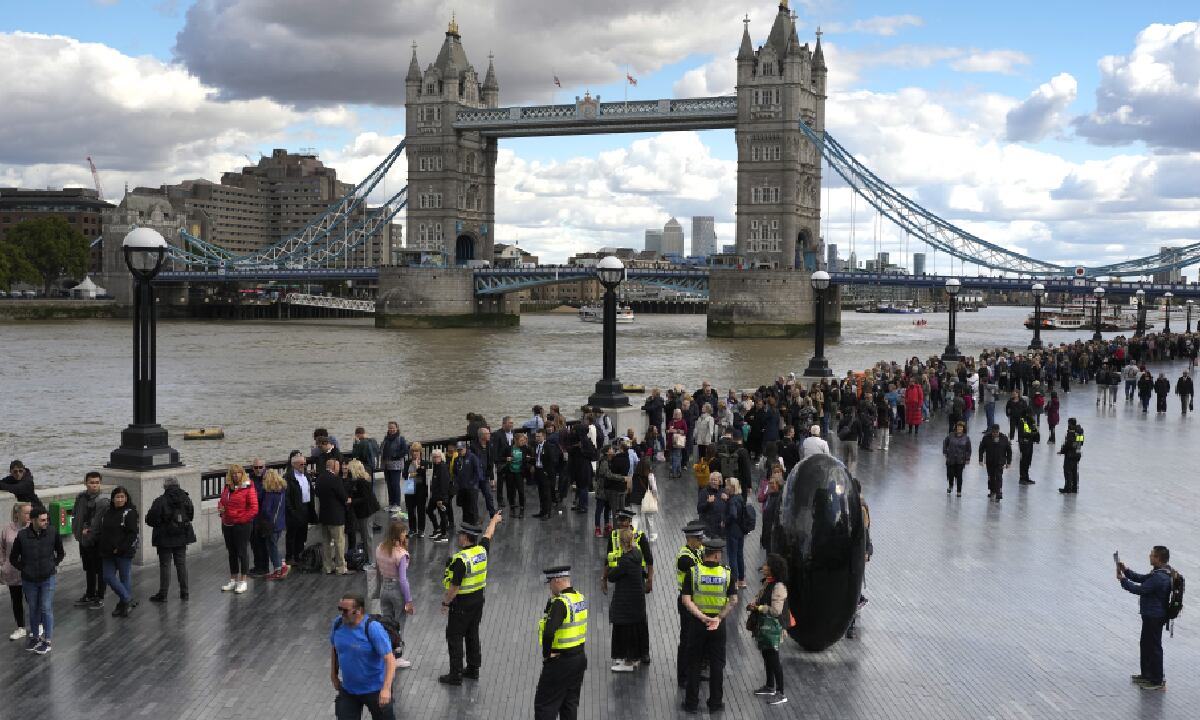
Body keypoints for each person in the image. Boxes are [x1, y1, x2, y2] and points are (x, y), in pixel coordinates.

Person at [438, 512, 503, 686]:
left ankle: (455, 674)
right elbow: (488, 534)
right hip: (478, 602)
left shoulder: (460, 560)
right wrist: (494, 521)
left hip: (461, 605)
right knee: (472, 634)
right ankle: (473, 669)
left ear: (465, 537)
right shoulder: (481, 551)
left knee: (455, 636)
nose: (458, 537)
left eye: (460, 534)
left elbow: (454, 587)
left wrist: (446, 602)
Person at [681, 538, 738, 714]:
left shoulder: (693, 572)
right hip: (718, 626)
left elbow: (686, 600)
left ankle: (691, 703)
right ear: (715, 554)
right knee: (717, 664)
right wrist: (718, 618)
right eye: (720, 553)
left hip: (698, 625)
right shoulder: (727, 574)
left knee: (694, 663)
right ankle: (715, 703)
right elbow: (734, 600)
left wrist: (702, 617)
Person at [330, 592, 396, 719]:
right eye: (340, 609)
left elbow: (390, 659)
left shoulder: (372, 628)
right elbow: (334, 648)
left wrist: (386, 689)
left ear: (359, 610)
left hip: (376, 690)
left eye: (345, 611)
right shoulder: (337, 624)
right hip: (349, 690)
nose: (341, 614)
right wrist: (333, 675)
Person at [534, 565, 588, 720]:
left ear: (557, 580)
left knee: (545, 705)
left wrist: (547, 655)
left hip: (560, 662)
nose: (550, 588)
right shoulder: (579, 598)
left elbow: (549, 631)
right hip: (578, 659)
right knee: (569, 704)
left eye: (550, 583)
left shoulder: (561, 603)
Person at [7, 505, 63, 654]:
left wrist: (53, 564)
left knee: (46, 607)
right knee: (33, 608)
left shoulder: (52, 532)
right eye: (43, 520)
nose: (46, 522)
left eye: (47, 519)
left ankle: (48, 640)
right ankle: (35, 637)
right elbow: (13, 558)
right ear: (33, 520)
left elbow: (61, 553)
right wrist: (24, 569)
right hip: (29, 580)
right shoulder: (22, 536)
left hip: (47, 578)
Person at [1117, 546, 1174, 691]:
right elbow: (1142, 578)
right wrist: (1126, 571)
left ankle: (1157, 680)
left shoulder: (1160, 577)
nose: (1149, 556)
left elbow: (1140, 589)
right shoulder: (1159, 572)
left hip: (1154, 616)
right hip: (1150, 615)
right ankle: (1147, 675)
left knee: (1154, 647)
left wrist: (1123, 580)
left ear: (1158, 559)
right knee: (1146, 644)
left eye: (1152, 555)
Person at [144, 476, 196, 601]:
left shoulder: (160, 501)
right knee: (181, 564)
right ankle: (185, 592)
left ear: (165, 487)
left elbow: (151, 520)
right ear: (178, 485)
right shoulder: (186, 498)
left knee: (165, 565)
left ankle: (163, 594)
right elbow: (190, 516)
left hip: (164, 538)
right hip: (181, 536)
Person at [748, 553, 790, 706]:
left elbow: (776, 611)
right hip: (765, 627)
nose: (763, 567)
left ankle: (781, 692)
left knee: (773, 658)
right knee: (767, 655)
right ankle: (769, 686)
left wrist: (759, 607)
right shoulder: (768, 582)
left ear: (773, 568)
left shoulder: (778, 587)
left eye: (766, 565)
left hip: (773, 628)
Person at [606, 528, 648, 672]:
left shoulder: (625, 560)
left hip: (626, 601)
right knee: (635, 630)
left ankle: (628, 662)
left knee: (625, 630)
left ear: (621, 542)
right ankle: (634, 658)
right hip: (637, 600)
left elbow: (612, 576)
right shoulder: (637, 554)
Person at [375, 520, 414, 669]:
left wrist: (378, 590)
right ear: (399, 534)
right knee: (398, 626)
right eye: (404, 533)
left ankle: (386, 653)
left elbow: (377, 570)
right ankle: (397, 657)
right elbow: (403, 580)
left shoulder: (380, 548)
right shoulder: (401, 554)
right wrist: (408, 600)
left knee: (386, 624)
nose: (406, 535)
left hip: (384, 588)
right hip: (397, 590)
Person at [97, 486, 139, 618]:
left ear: (126, 498)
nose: (120, 499)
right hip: (107, 552)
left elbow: (132, 534)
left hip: (123, 553)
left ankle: (123, 606)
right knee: (108, 576)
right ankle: (127, 599)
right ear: (113, 498)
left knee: (124, 578)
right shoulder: (108, 512)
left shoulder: (130, 513)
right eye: (117, 497)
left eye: (122, 497)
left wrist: (120, 548)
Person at [674, 522, 706, 687]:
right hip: (687, 602)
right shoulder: (685, 557)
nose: (702, 540)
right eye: (699, 538)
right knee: (686, 639)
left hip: (697, 601)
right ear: (690, 539)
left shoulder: (698, 550)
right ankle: (683, 676)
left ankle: (694, 670)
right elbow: (700, 571)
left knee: (697, 638)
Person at [219, 464, 259, 591]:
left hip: (242, 525)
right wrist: (221, 509)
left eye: (238, 473)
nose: (235, 475)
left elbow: (254, 508)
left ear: (242, 474)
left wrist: (241, 519)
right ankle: (233, 580)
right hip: (228, 524)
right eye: (233, 473)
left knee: (242, 552)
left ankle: (243, 580)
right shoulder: (227, 487)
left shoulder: (248, 487)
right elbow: (222, 501)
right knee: (232, 553)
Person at [72, 471, 108, 609]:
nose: (94, 485)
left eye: (97, 483)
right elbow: (75, 514)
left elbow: (103, 523)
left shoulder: (103, 501)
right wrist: (77, 532)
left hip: (97, 541)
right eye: (91, 482)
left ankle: (100, 596)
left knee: (100, 570)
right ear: (86, 483)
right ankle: (89, 594)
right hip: (83, 539)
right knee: (89, 569)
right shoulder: (80, 498)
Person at [1, 502, 31, 641]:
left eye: (30, 512)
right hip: (12, 572)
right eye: (26, 513)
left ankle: (39, 625)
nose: (29, 515)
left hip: (29, 572)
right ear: (17, 514)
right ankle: (21, 627)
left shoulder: (33, 528)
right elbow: (1, 548)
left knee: (32, 600)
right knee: (16, 600)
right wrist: (2, 564)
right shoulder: (7, 529)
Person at [316, 457, 351, 575]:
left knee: (326, 543)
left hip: (324, 516)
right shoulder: (335, 480)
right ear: (334, 467)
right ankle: (341, 567)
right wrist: (348, 500)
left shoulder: (319, 478)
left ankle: (327, 566)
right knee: (339, 542)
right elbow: (343, 497)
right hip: (336, 517)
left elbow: (317, 494)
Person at [283, 450, 314, 574]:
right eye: (301, 464)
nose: (304, 466)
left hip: (305, 507)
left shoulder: (306, 475)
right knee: (292, 535)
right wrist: (292, 511)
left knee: (302, 533)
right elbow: (287, 497)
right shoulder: (289, 477)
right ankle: (290, 557)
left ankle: (299, 555)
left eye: (305, 464)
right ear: (294, 464)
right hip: (295, 509)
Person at [347, 460, 380, 566]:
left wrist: (352, 501)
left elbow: (366, 498)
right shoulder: (363, 480)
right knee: (365, 536)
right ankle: (368, 558)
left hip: (366, 512)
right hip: (365, 511)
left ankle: (371, 560)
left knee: (367, 536)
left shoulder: (362, 482)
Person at [259, 468, 289, 577]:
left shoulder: (269, 494)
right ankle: (281, 565)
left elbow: (266, 510)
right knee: (274, 545)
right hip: (280, 523)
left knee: (272, 546)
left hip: (271, 525)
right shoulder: (281, 491)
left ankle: (279, 568)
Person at [725, 477, 749, 589]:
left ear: (732, 487)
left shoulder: (733, 500)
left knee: (732, 555)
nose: (726, 488)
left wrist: (724, 522)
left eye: (727, 486)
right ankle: (742, 580)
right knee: (740, 554)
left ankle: (734, 581)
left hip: (732, 531)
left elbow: (733, 515)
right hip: (740, 530)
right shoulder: (740, 498)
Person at [978, 424, 1012, 502]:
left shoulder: (1004, 438)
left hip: (1000, 462)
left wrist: (1009, 462)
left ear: (999, 431)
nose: (995, 434)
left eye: (996, 432)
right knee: (991, 477)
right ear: (991, 431)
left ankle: (999, 492)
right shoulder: (986, 438)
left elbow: (1009, 451)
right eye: (993, 432)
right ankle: (992, 490)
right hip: (990, 461)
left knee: (999, 476)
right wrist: (980, 460)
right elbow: (981, 449)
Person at [380, 421, 409, 511]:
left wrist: (395, 455)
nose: (391, 429)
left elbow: (405, 451)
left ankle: (397, 504)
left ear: (397, 428)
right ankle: (391, 503)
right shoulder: (386, 439)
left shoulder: (401, 439)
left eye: (393, 428)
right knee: (389, 484)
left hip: (396, 465)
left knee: (395, 484)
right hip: (386, 465)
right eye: (389, 428)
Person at [427, 449, 454, 541]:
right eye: (434, 457)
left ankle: (444, 535)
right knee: (429, 510)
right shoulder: (436, 466)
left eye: (437, 457)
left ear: (441, 457)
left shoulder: (442, 467)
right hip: (435, 495)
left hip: (441, 497)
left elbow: (444, 484)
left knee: (442, 514)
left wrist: (441, 499)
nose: (435, 459)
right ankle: (437, 529)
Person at [696, 471, 729, 540]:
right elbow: (699, 509)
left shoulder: (724, 492)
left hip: (721, 529)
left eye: (715, 480)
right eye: (712, 480)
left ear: (719, 481)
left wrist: (727, 500)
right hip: (709, 529)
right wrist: (708, 502)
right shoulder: (704, 492)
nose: (713, 482)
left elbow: (729, 509)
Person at [942, 421, 971, 497]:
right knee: (950, 474)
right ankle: (950, 485)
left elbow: (968, 449)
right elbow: (945, 442)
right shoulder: (951, 435)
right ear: (956, 428)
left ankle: (959, 491)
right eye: (958, 427)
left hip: (960, 460)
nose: (959, 428)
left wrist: (967, 458)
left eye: (961, 427)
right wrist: (945, 451)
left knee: (959, 476)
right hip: (951, 459)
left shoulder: (966, 438)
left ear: (963, 429)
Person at [1057, 418, 1084, 494]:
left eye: (1069, 423)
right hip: (1077, 454)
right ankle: (1074, 488)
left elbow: (1068, 444)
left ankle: (1068, 488)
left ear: (1071, 424)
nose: (1068, 425)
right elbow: (1080, 443)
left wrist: (1062, 451)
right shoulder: (1079, 432)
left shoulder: (1071, 432)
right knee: (1074, 471)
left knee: (1067, 471)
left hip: (1070, 455)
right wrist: (1075, 445)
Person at [1016, 410, 1037, 485]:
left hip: (1030, 443)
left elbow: (1034, 430)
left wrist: (1034, 430)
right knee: (1024, 461)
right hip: (1024, 444)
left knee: (1028, 460)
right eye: (1030, 414)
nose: (1032, 415)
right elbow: (1022, 433)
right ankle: (1022, 478)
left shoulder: (1030, 421)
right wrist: (1031, 434)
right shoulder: (1022, 421)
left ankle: (1026, 477)